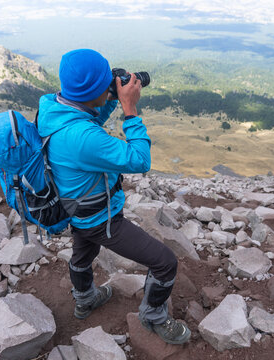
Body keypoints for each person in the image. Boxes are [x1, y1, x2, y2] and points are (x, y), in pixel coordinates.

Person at [36, 49, 191, 345]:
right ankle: (153, 316)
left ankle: (85, 299)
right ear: (94, 91)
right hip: (100, 218)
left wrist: (107, 101)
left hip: (76, 209)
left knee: (84, 255)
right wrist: (129, 108)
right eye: (105, 83)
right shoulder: (82, 139)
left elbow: (86, 119)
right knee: (165, 262)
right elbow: (139, 160)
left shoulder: (52, 107)